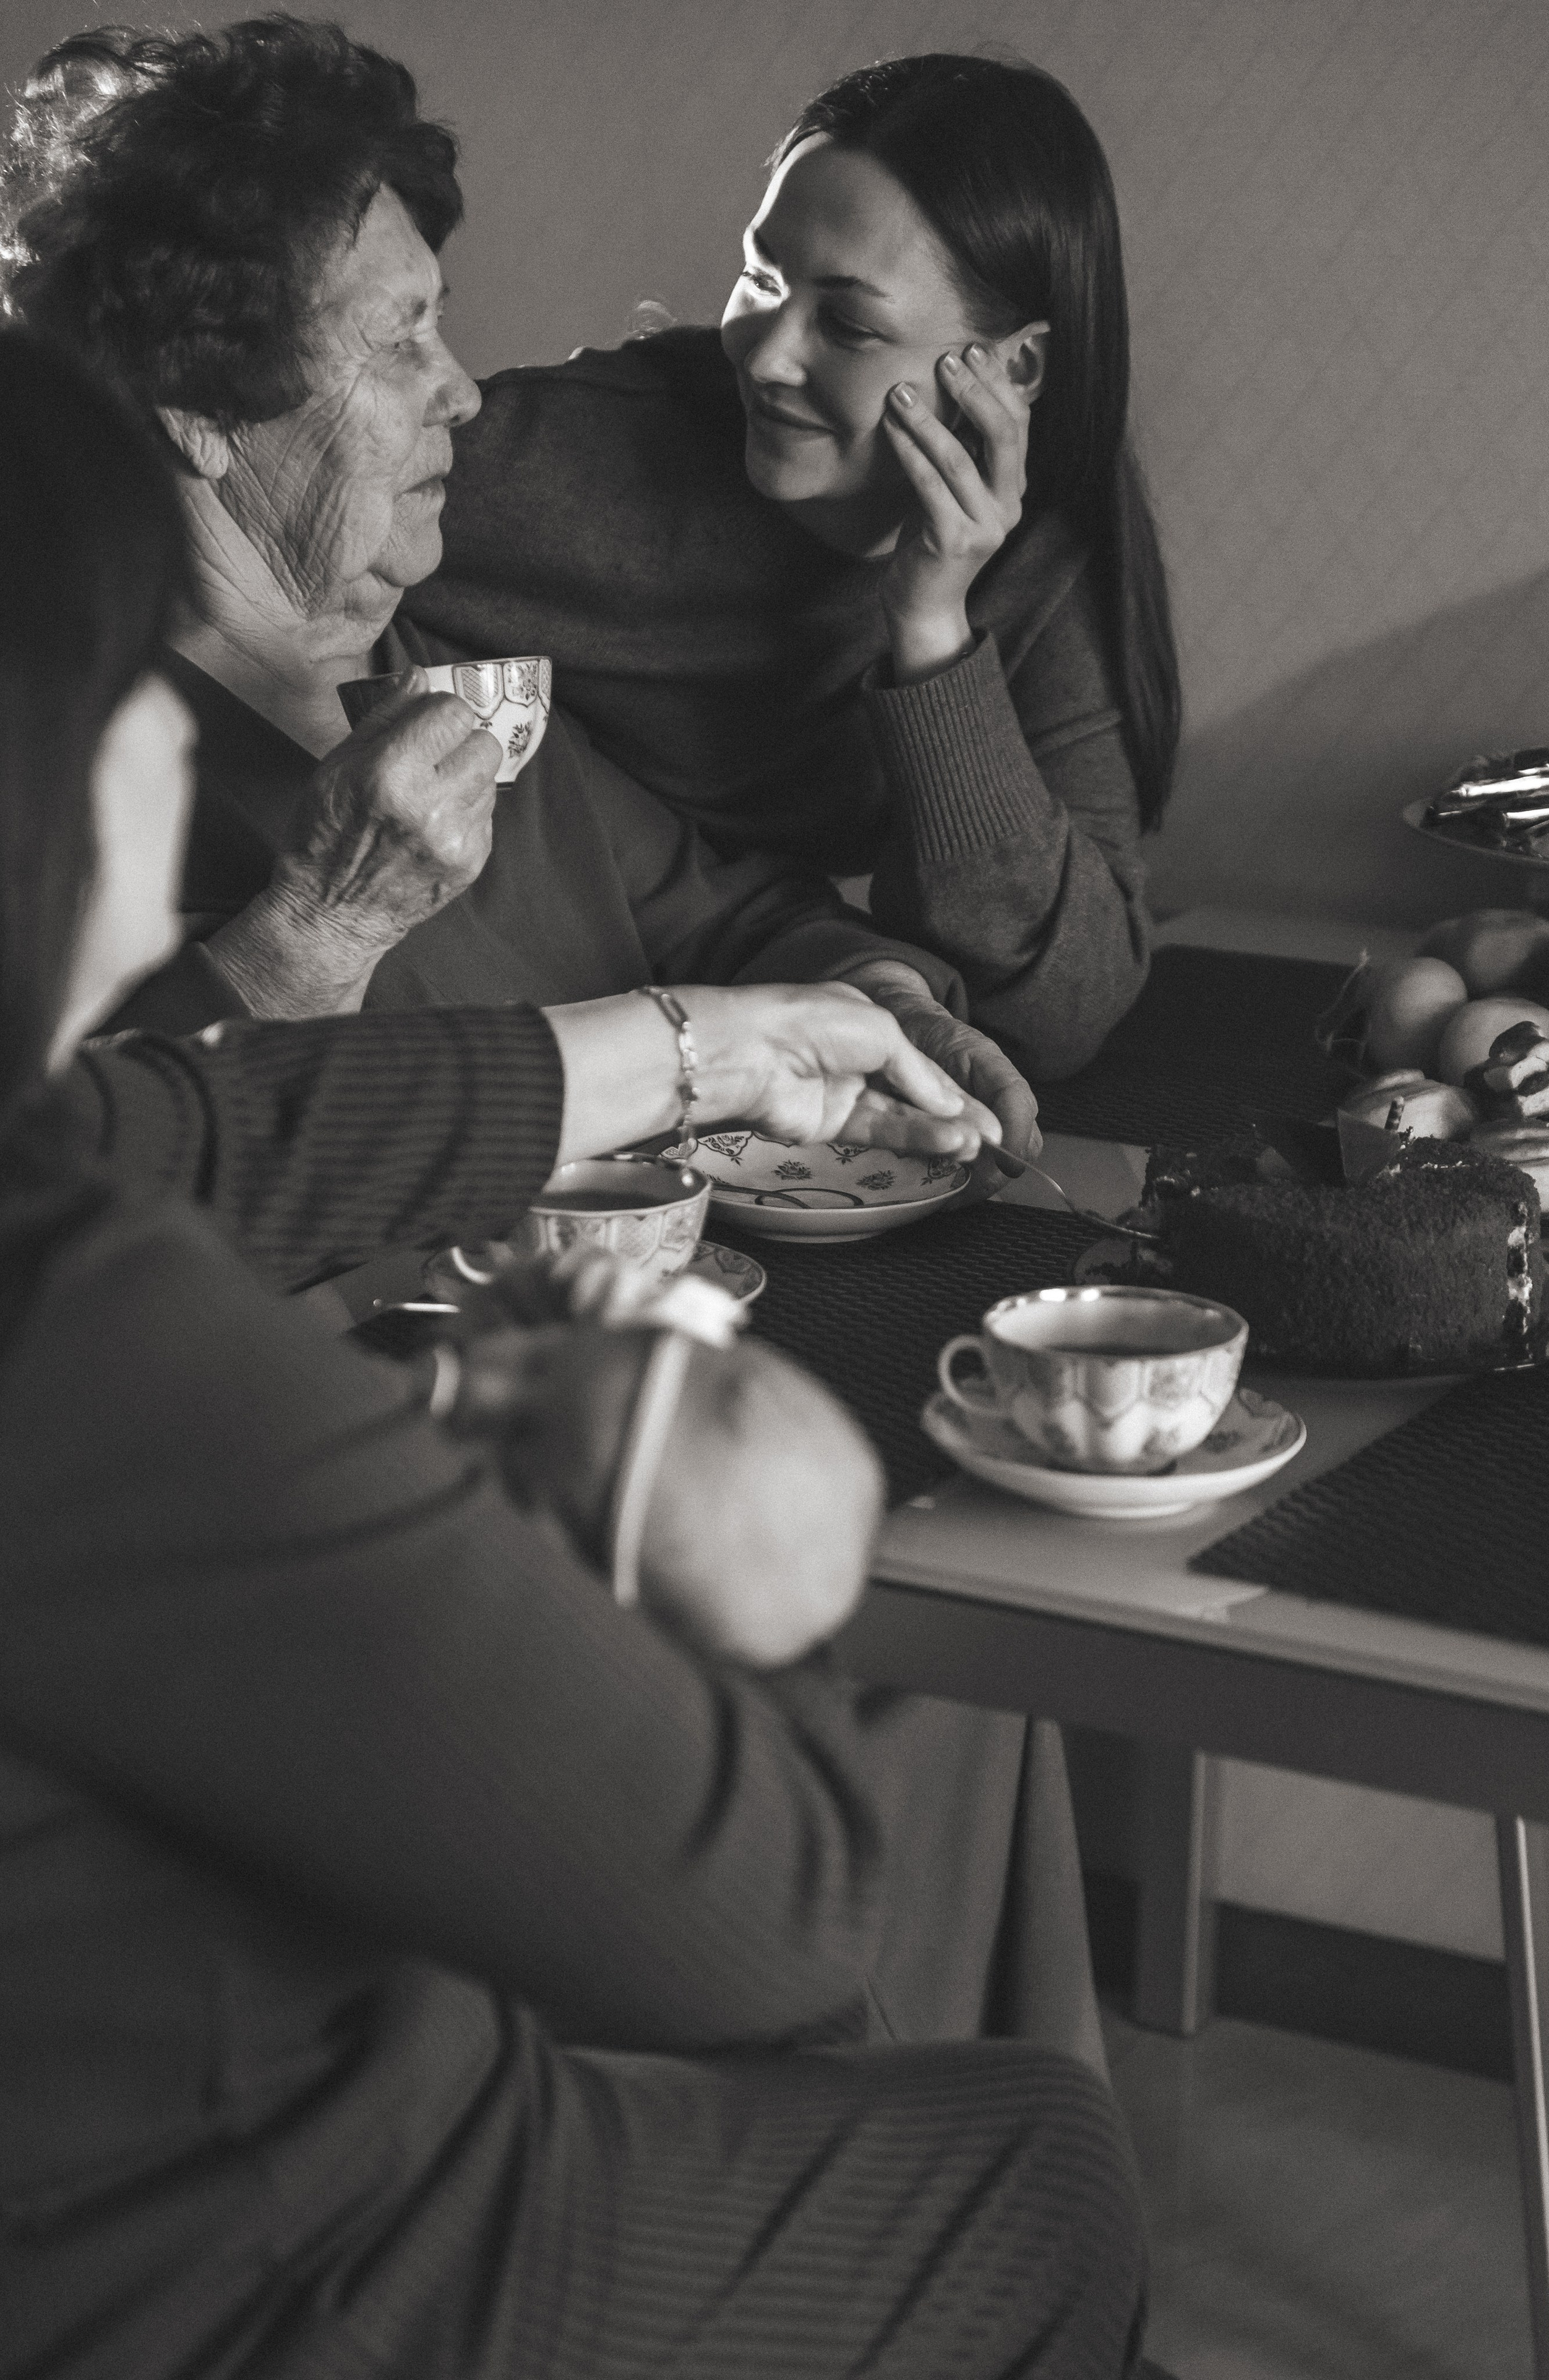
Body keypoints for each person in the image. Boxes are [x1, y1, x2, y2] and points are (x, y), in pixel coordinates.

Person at [0, 326, 1158, 2379]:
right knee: (1034, 2155)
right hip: (252, 2267)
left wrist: (707, 1040)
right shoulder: (92, 1342)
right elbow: (770, 1924)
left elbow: (178, 1126)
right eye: (119, 694)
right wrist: (708, 1497)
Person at [0, 20, 1036, 1150]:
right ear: (194, 409)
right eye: (398, 343)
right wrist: (323, 927)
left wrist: (887, 1003)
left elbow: (739, 919)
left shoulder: (446, 677)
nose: (465, 396)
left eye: (441, 321)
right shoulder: (63, 762)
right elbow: (58, 1194)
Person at [410, 51, 1182, 1084]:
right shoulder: (571, 457)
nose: (768, 357)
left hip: (776, 1045)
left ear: (1013, 369)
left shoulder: (1038, 564)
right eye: (761, 278)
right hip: (525, 1029)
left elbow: (1059, 1011)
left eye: (850, 325)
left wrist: (932, 637)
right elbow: (246, 514)